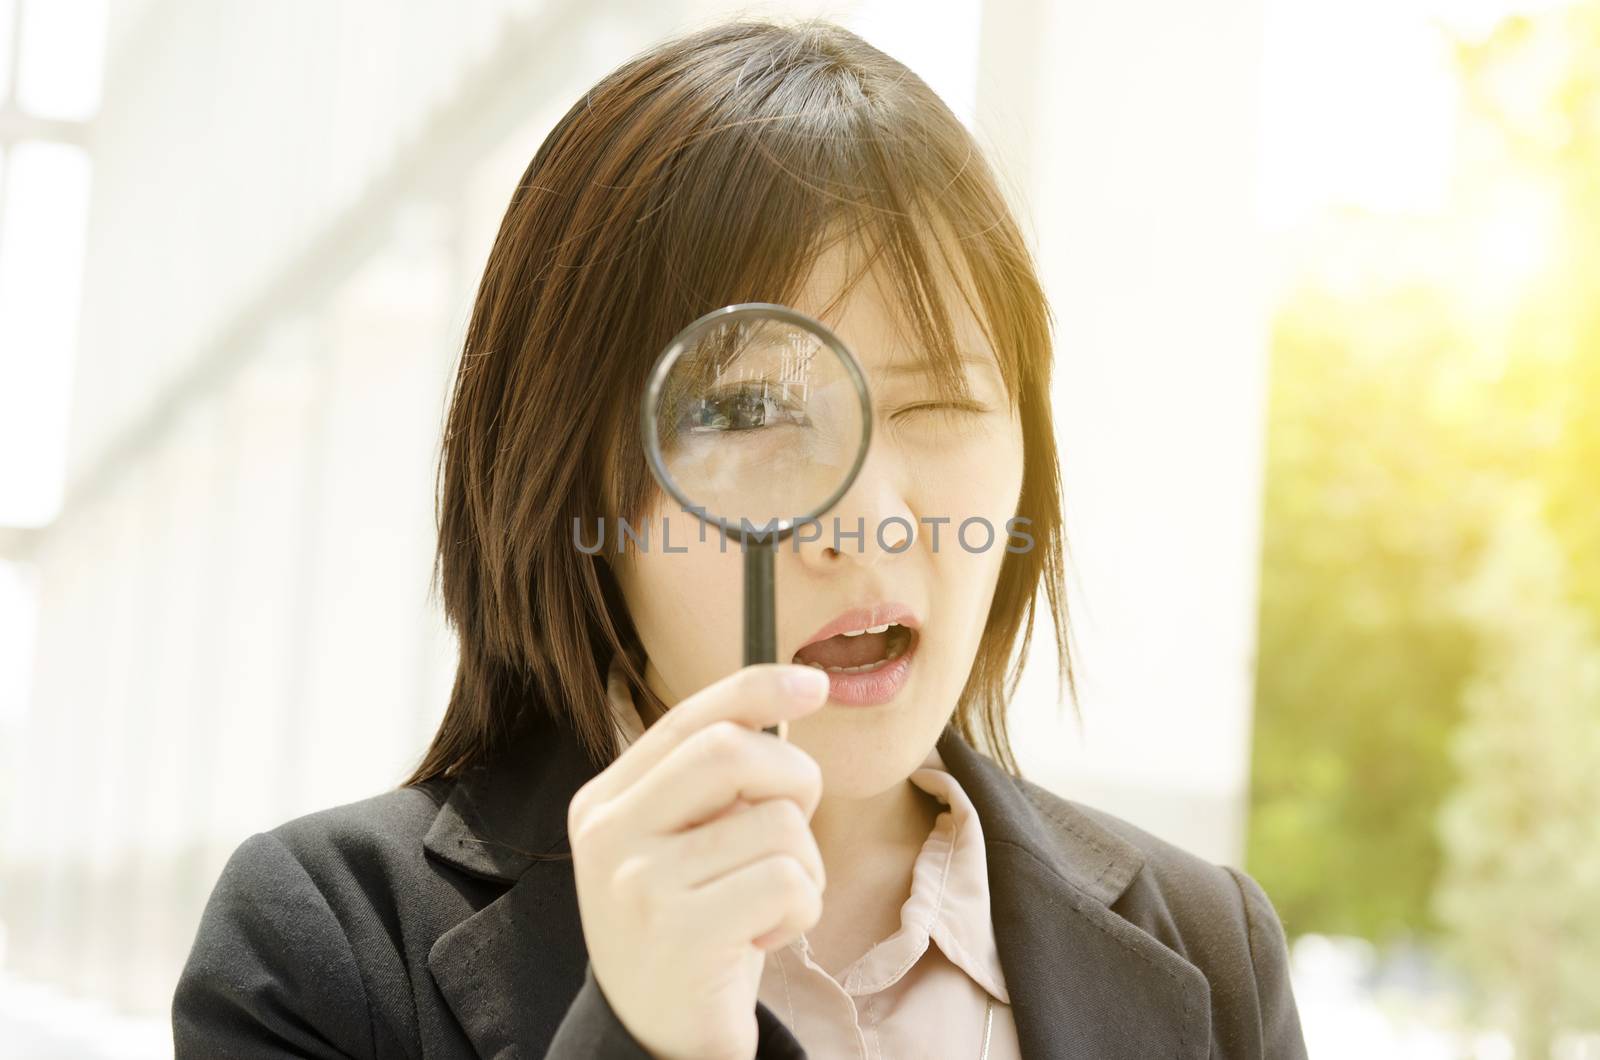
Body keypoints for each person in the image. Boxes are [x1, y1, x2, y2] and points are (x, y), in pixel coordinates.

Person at [172, 16, 1309, 1060]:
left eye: (936, 405)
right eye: (746, 413)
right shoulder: (321, 945)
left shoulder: (1212, 949)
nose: (865, 518)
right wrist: (643, 1035)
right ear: (562, 475)